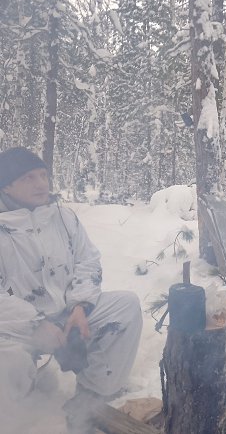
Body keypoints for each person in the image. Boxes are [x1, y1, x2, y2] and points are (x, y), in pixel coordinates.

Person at [0, 147, 143, 432]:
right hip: (15, 327)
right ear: (6, 186)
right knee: (9, 361)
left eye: (43, 175)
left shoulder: (63, 218)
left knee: (126, 306)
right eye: (28, 178)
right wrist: (35, 324)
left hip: (67, 312)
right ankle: (19, 415)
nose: (41, 184)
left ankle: (94, 395)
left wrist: (80, 306)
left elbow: (87, 262)